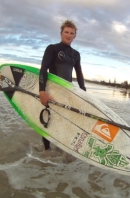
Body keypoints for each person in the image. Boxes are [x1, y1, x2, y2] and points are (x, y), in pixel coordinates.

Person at [39, 20, 86, 150]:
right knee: (49, 120)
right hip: (52, 90)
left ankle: (61, 146)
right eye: (66, 32)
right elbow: (43, 69)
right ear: (61, 33)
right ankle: (47, 150)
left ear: (75, 36)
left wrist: (84, 93)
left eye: (72, 33)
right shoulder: (52, 48)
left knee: (64, 120)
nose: (69, 35)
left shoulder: (76, 54)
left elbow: (79, 74)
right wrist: (42, 91)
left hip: (67, 92)